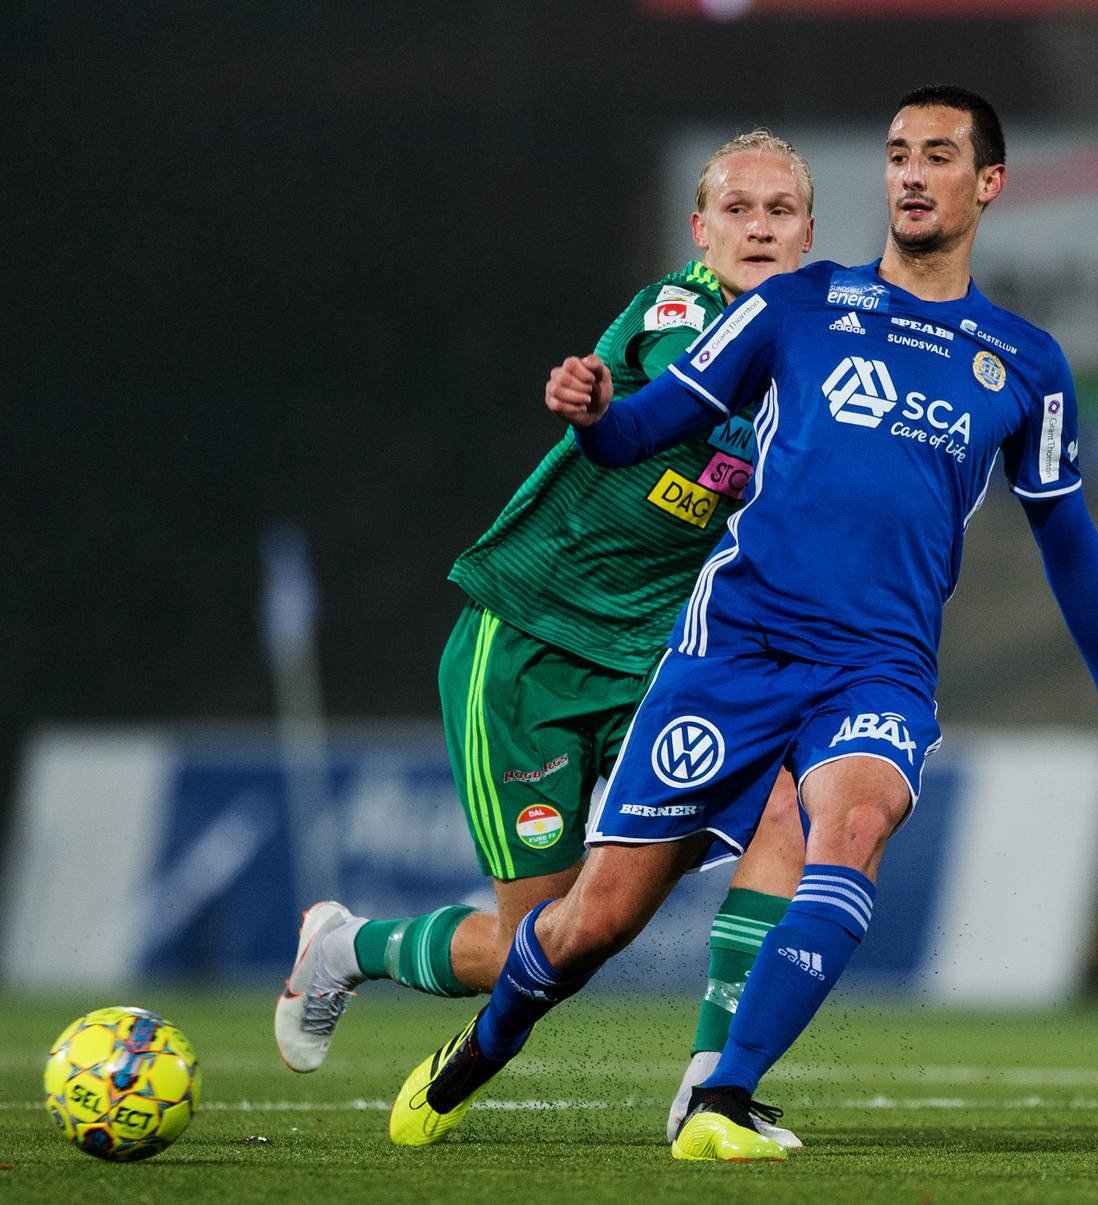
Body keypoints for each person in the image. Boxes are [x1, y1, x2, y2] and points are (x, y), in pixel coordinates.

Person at [385, 84, 1098, 1162]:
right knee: (593, 920)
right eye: (898, 153)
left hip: (878, 668)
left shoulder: (1025, 362)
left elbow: (1070, 544)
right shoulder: (797, 306)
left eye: (938, 155)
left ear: (988, 182)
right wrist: (596, 413)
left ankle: (721, 1094)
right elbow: (643, 429)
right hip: (734, 649)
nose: (912, 173)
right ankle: (487, 1041)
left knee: (849, 832)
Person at [275, 129, 817, 1149]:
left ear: (807, 233)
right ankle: (348, 946)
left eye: (778, 211)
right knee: (543, 944)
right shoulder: (678, 310)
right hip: (529, 642)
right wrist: (602, 401)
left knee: (779, 808)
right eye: (736, 210)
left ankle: (713, 1087)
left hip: (657, 656)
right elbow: (676, 378)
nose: (757, 227)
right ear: (700, 231)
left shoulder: (816, 350)